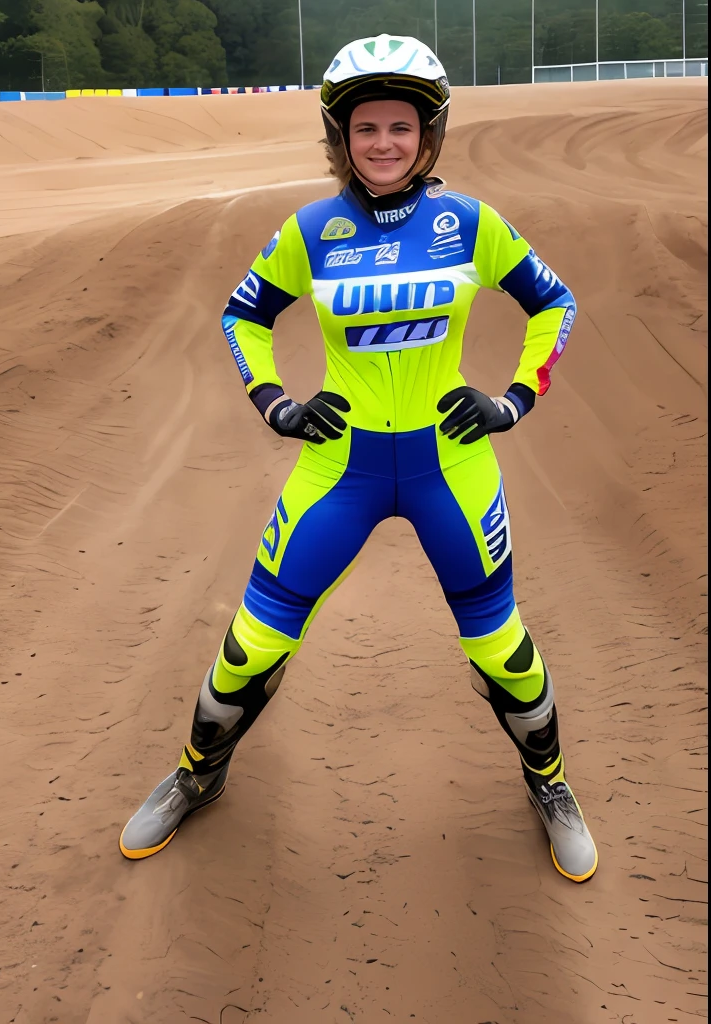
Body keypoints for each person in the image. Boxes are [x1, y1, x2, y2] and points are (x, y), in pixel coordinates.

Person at [119, 34, 597, 882]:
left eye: (401, 128)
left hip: (450, 464)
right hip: (337, 468)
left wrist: (513, 399)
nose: (384, 143)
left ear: (430, 136)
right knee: (252, 644)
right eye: (366, 128)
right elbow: (242, 316)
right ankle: (199, 776)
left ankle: (551, 785)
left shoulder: (469, 224)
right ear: (340, 139)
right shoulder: (313, 231)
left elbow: (553, 303)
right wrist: (274, 400)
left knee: (499, 648)